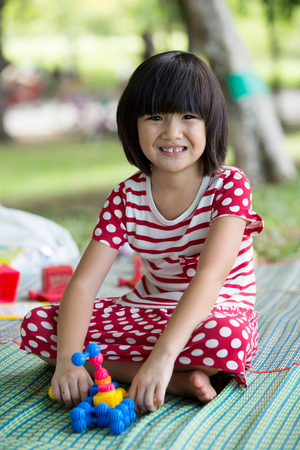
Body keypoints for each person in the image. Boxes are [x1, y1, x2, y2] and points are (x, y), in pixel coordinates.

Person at [20, 51, 263, 413]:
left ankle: (157, 369)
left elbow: (211, 276)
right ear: (131, 123)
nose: (171, 132)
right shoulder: (125, 197)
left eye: (188, 116)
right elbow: (84, 285)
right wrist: (70, 360)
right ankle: (172, 378)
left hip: (214, 310)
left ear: (211, 123)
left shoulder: (230, 185)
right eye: (154, 117)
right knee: (39, 326)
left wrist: (163, 356)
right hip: (146, 310)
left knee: (223, 342)